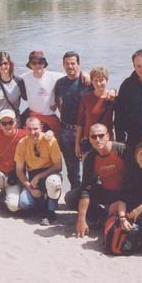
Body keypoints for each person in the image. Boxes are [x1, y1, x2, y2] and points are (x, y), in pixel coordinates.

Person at [66, 123, 135, 238]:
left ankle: (115, 216)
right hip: (107, 192)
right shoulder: (90, 158)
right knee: (71, 197)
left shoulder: (123, 150)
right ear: (89, 139)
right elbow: (86, 188)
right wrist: (81, 219)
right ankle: (102, 216)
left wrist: (121, 200)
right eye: (93, 137)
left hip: (125, 195)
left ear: (108, 136)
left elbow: (132, 180)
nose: (98, 140)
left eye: (101, 136)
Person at [54, 51, 94, 190]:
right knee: (72, 167)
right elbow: (57, 97)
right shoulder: (60, 83)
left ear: (79, 64)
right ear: (63, 65)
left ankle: (90, 195)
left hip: (86, 131)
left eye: (73, 63)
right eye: (67, 64)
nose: (70, 66)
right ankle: (76, 194)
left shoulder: (87, 81)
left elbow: (102, 86)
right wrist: (61, 110)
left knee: (90, 165)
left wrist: (87, 72)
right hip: (66, 130)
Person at [15, 116, 63, 226]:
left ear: (41, 128)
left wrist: (40, 176)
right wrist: (31, 189)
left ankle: (51, 212)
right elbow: (19, 171)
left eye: (35, 128)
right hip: (33, 178)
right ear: (24, 129)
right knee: (25, 204)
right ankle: (42, 203)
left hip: (49, 174)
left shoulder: (50, 141)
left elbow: (59, 166)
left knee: (53, 181)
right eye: (29, 129)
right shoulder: (22, 144)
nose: (33, 132)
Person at [20, 51, 65, 140]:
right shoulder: (24, 78)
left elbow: (72, 75)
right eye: (34, 63)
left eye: (40, 62)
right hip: (33, 120)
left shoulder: (53, 76)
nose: (37, 65)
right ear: (30, 65)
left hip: (49, 118)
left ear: (44, 64)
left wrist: (84, 73)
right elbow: (8, 79)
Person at [75, 65, 116, 160]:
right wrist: (77, 144)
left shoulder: (112, 98)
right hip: (89, 141)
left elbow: (119, 121)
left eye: (101, 80)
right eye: (95, 80)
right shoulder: (86, 98)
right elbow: (80, 123)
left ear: (107, 80)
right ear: (92, 81)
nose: (98, 83)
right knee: (88, 171)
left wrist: (114, 89)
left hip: (107, 141)